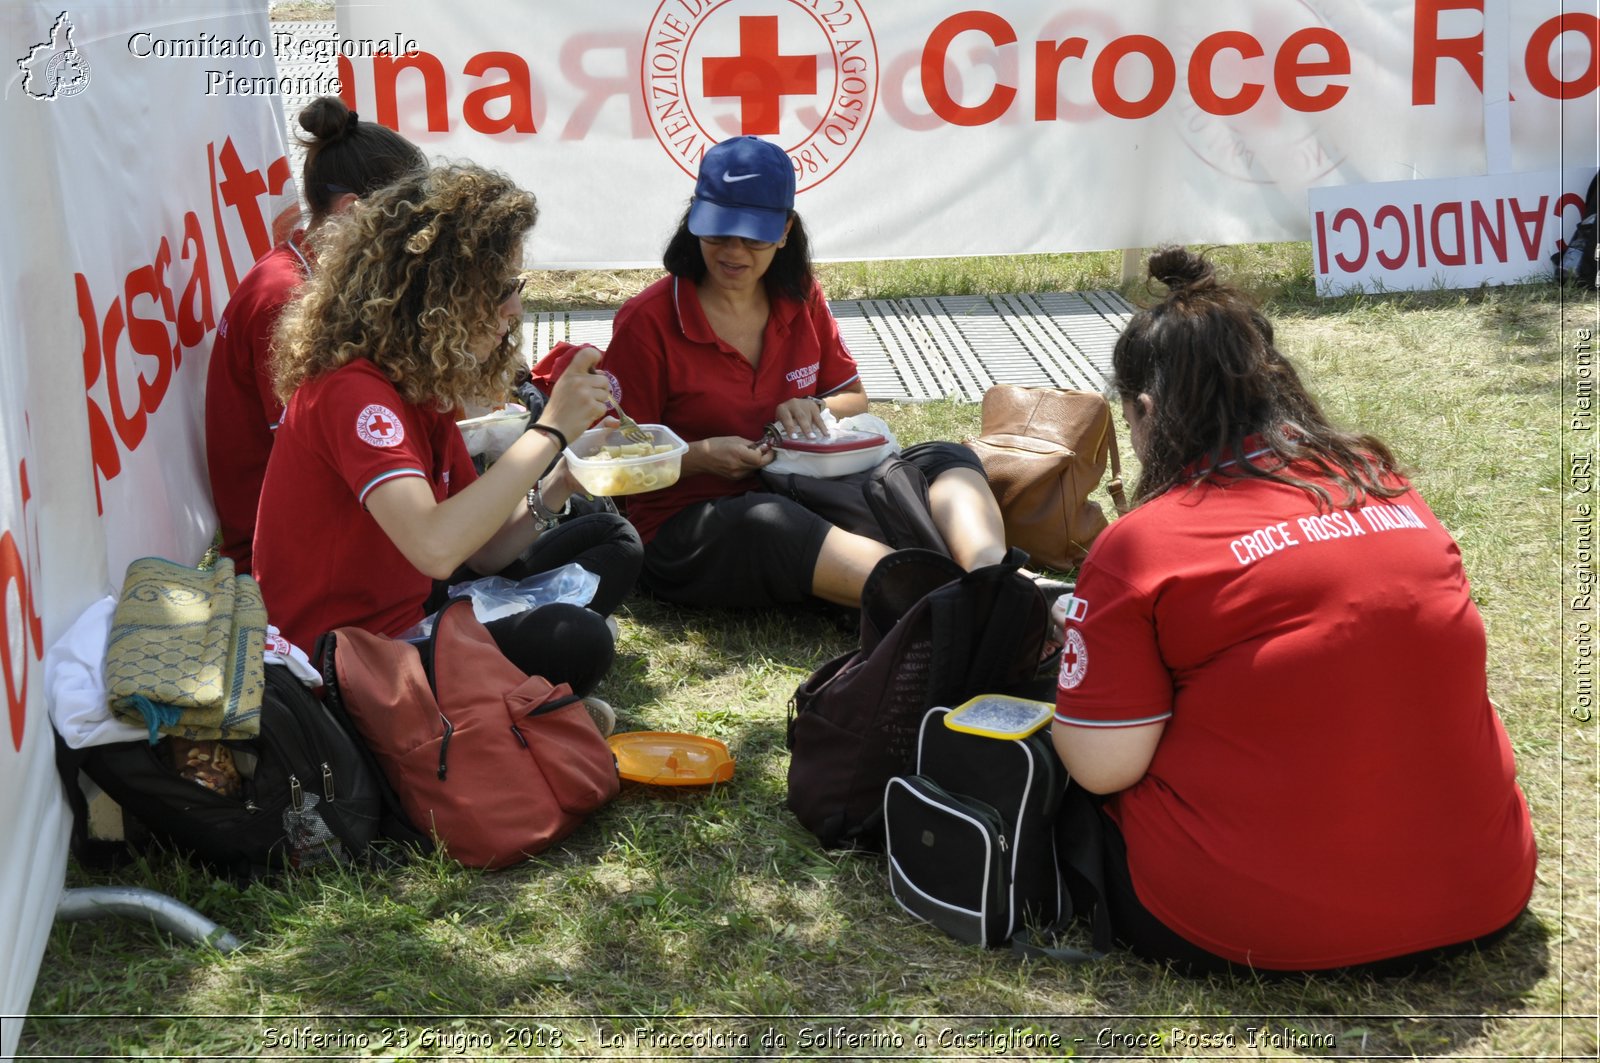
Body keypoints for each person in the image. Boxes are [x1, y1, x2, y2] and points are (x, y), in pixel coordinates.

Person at [1050, 246, 1536, 974]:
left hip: (1257, 924)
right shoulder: (1387, 486)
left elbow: (1100, 768)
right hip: (1482, 892)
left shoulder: (1142, 543)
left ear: (1144, 412)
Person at [252, 163, 641, 702]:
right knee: (576, 639)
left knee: (611, 539)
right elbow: (435, 548)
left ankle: (515, 700)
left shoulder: (415, 380)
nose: (515, 308)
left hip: (409, 621)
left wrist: (563, 480)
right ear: (437, 295)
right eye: (502, 288)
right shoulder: (353, 393)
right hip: (339, 663)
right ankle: (513, 703)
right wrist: (550, 429)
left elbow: (481, 555)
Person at [601, 135, 1018, 609]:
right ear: (694, 220)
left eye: (754, 236)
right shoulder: (649, 320)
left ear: (784, 230)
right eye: (717, 231)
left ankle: (991, 574)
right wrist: (698, 456)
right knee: (764, 520)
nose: (733, 251)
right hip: (690, 523)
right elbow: (612, 463)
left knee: (943, 458)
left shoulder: (799, 294)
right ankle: (958, 605)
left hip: (806, 488)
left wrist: (814, 405)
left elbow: (852, 399)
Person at [205, 96, 425, 576]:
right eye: (410, 221)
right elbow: (323, 450)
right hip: (293, 561)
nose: (417, 242)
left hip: (326, 530)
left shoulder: (308, 267)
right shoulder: (286, 298)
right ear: (352, 211)